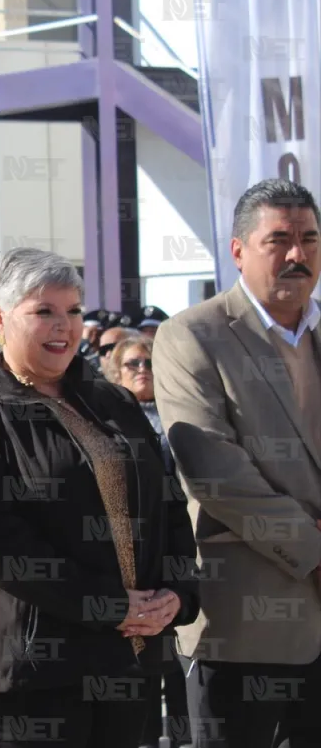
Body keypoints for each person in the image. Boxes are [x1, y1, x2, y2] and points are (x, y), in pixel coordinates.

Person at [0, 246, 199, 748]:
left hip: (126, 659)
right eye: (44, 312)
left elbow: (167, 504)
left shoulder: (113, 402)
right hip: (27, 669)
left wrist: (177, 593)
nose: (65, 326)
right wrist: (105, 605)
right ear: (0, 320)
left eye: (73, 310)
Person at [152, 179, 321, 748]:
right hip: (246, 625)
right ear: (238, 250)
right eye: (280, 240)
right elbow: (215, 471)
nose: (298, 254)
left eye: (310, 239)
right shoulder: (192, 335)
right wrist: (316, 553)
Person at [100, 333, 188, 747]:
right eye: (133, 363)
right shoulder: (105, 420)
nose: (143, 371)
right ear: (116, 372)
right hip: (128, 577)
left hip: (173, 566)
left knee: (178, 677)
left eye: (149, 363)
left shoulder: (180, 415)